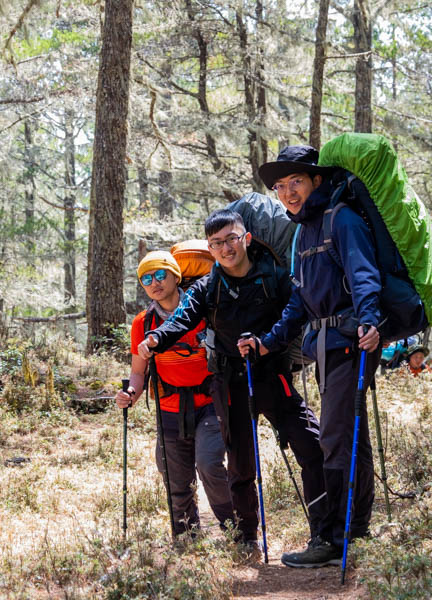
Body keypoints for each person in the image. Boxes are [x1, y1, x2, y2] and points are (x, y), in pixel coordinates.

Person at [137, 209, 329, 551]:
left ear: (246, 239)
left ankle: (324, 533)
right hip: (230, 383)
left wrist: (266, 343)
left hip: (272, 376)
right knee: (240, 465)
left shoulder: (276, 278)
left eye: (231, 239)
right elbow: (182, 318)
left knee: (311, 447)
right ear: (209, 249)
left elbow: (294, 314)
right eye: (217, 243)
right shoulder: (207, 287)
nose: (226, 248)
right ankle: (246, 538)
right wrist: (157, 338)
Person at [239, 145, 382, 568]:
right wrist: (269, 341)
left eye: (295, 182)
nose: (288, 193)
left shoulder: (342, 221)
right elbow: (299, 301)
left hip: (352, 341)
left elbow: (363, 274)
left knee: (336, 438)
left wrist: (370, 321)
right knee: (348, 435)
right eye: (281, 187)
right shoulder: (303, 233)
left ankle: (335, 539)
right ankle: (354, 532)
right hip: (324, 347)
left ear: (316, 180)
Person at [116, 251, 234, 537]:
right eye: (146, 278)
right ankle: (185, 536)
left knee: (209, 465)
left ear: (175, 276)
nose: (154, 283)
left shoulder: (203, 310)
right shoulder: (143, 323)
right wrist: (131, 392)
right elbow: (138, 371)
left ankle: (234, 527)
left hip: (210, 403)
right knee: (173, 474)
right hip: (169, 407)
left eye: (160, 275)